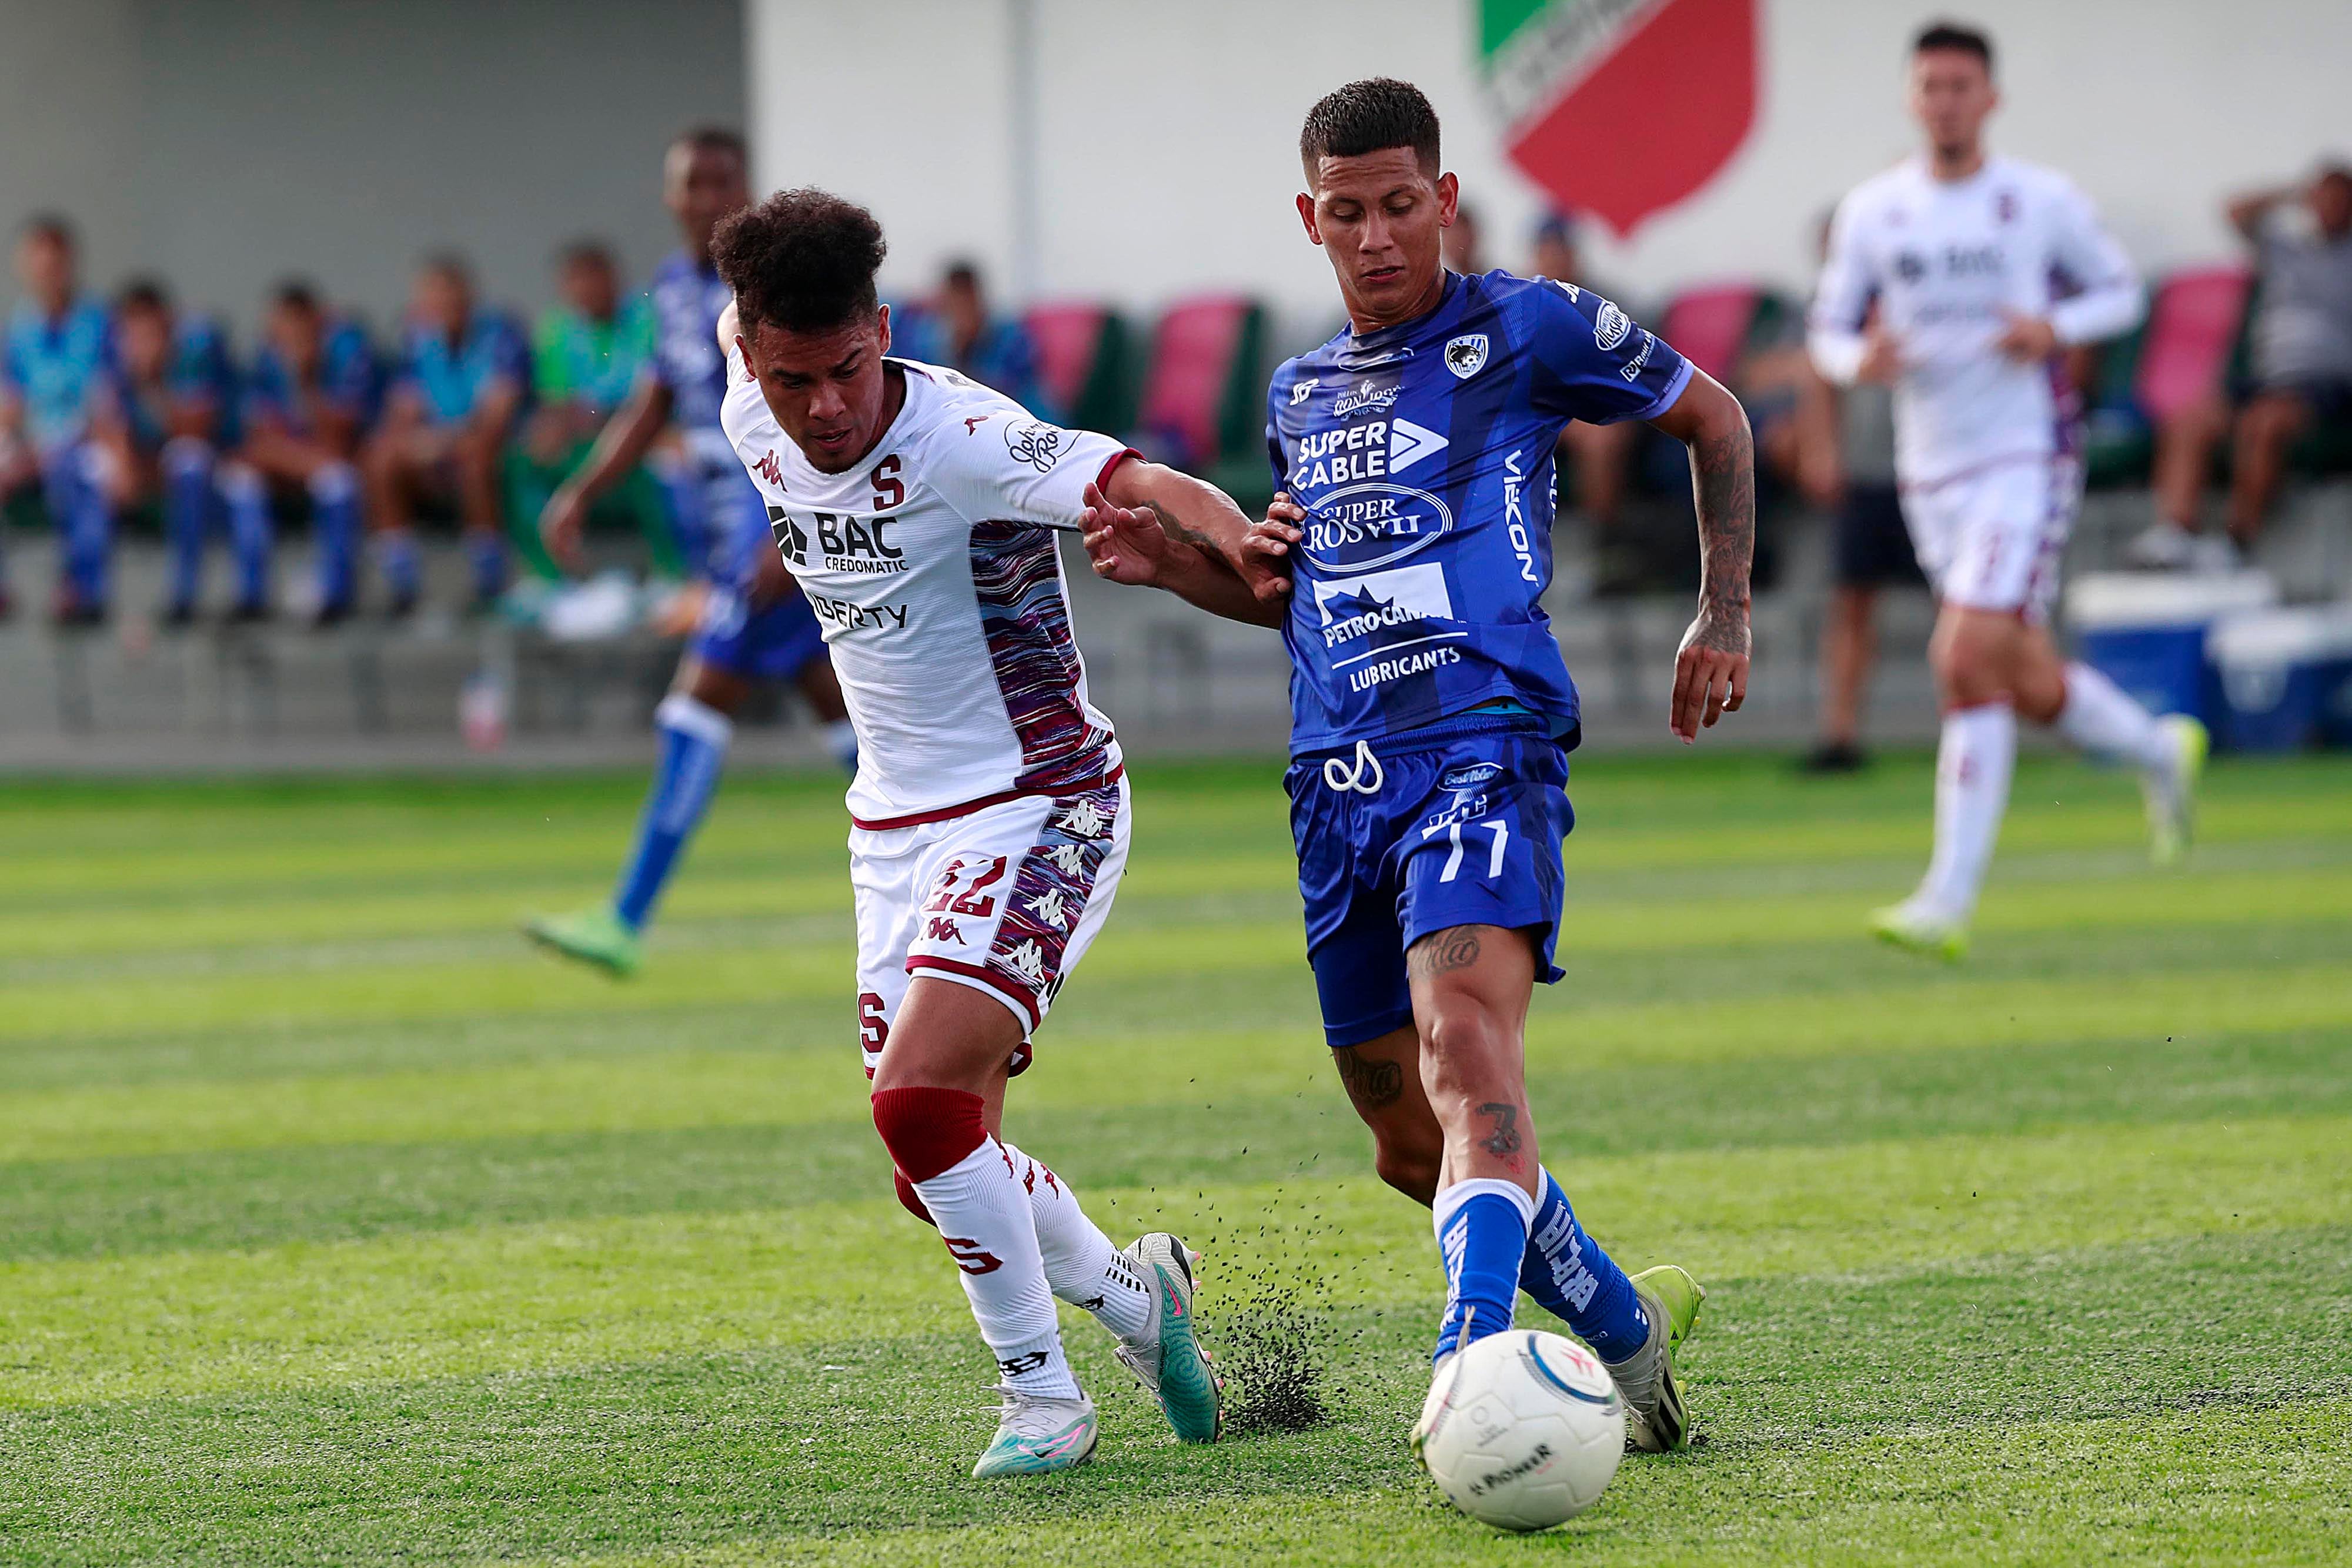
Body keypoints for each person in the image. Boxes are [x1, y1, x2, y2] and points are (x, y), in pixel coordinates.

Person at [1082, 77, 1747, 1455]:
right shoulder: (1297, 392)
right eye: (1346, 214)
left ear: (1441, 201)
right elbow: (1296, 599)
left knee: (1465, 1050)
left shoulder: (1525, 327)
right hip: (1334, 783)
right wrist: (1179, 571)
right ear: (1308, 219)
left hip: (1482, 749)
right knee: (1407, 1145)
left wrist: (1722, 609)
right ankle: (1624, 1331)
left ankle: (1470, 1360)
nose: (1376, 236)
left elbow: (1718, 418)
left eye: (1399, 206)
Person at [710, 186, 1277, 1476]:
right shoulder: (748, 405)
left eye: (850, 368)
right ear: (750, 355)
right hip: (889, 830)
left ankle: (1044, 1397)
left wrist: (1251, 549)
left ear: (883, 329)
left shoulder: (966, 433)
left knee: (916, 1102)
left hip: (1041, 804)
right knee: (931, 1163)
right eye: (794, 378)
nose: (827, 408)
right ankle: (1142, 1302)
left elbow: (1145, 477)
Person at [1809, 22, 2201, 959]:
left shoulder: (2037, 200)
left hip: (2025, 458)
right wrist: (1858, 356)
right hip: (1929, 470)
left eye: (1961, 85)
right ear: (1913, 99)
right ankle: (2160, 750)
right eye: (1931, 86)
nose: (1946, 101)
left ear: (1990, 99)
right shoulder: (1875, 210)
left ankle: (1947, 899)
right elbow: (1826, 328)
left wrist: (2054, 325)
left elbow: (2122, 293)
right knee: (2018, 673)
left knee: (1961, 653)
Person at [523, 129, 851, 980]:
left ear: (746, 191)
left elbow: (829, 400)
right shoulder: (671, 293)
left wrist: (795, 524)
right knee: (841, 703)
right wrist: (582, 492)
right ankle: (952, 834)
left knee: (700, 697)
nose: (707, 196)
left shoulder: (777, 287)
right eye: (692, 182)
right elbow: (655, 398)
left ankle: (627, 914)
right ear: (669, 197)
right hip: (719, 523)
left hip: (767, 516)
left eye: (723, 181)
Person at [2132, 163, 2352, 571]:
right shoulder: (2287, 250)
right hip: (2268, 378)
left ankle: (2237, 542)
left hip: (2327, 386)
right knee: (2192, 418)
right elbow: (2235, 211)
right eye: (2323, 197)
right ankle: (2176, 532)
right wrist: (2297, 190)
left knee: (2264, 424)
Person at [1801, 213, 1925, 773]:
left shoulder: (1927, 286)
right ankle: (1841, 734)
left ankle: (1977, 724)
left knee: (1962, 605)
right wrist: (1824, 449)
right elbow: (1821, 377)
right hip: (1869, 467)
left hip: (1929, 468)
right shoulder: (1841, 301)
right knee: (1852, 603)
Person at [362, 253, 527, 616]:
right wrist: (420, 444)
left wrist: (443, 443)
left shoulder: (502, 335)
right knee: (382, 457)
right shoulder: (416, 338)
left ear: (469, 296)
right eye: (433, 298)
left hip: (487, 449)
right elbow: (402, 414)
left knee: (476, 457)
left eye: (451, 296)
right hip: (436, 450)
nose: (444, 306)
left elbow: (496, 418)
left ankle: (489, 578)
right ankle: (402, 583)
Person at [507, 240, 680, 584]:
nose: (586, 291)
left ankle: (673, 575)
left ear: (613, 279)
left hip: (646, 435)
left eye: (593, 279)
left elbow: (655, 395)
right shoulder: (557, 329)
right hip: (586, 440)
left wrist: (593, 413)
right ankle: (551, 579)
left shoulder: (648, 315)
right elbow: (557, 403)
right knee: (522, 463)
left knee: (662, 465)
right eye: (575, 282)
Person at [84, 280, 240, 626]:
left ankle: (186, 594)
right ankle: (86, 594)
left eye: (148, 330)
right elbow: (103, 418)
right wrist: (123, 463)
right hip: (151, 463)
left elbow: (195, 432)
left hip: (223, 464)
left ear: (166, 323)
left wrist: (152, 382)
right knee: (91, 469)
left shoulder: (197, 346)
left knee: (190, 463)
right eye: (132, 331)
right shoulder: (113, 349)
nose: (140, 341)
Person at [227, 281, 378, 625]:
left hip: (329, 470)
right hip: (294, 467)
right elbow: (257, 442)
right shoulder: (264, 358)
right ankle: (252, 596)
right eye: (281, 327)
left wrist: (306, 383)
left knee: (339, 482)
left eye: (298, 326)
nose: (289, 337)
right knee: (242, 479)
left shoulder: (347, 352)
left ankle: (337, 595)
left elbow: (341, 440)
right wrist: (307, 461)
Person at [0, 215, 112, 623]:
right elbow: (11, 400)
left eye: (55, 264)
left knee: (75, 472)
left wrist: (53, 446)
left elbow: (104, 404)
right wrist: (18, 443)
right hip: (35, 442)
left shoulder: (98, 324)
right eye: (39, 264)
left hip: (84, 444)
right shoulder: (20, 327)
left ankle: (81, 586)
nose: (48, 274)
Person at [1529, 212, 1641, 544]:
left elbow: (1624, 371)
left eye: (1560, 250)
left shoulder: (1601, 302)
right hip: (1534, 407)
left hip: (1589, 406)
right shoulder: (1518, 300)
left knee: (1600, 441)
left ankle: (1602, 543)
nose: (1555, 258)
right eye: (1547, 250)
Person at [896, 260, 1051, 417]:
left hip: (1016, 416)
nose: (961, 311)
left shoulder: (1012, 338)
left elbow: (1010, 388)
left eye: (966, 301)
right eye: (955, 302)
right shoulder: (929, 339)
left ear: (978, 299)